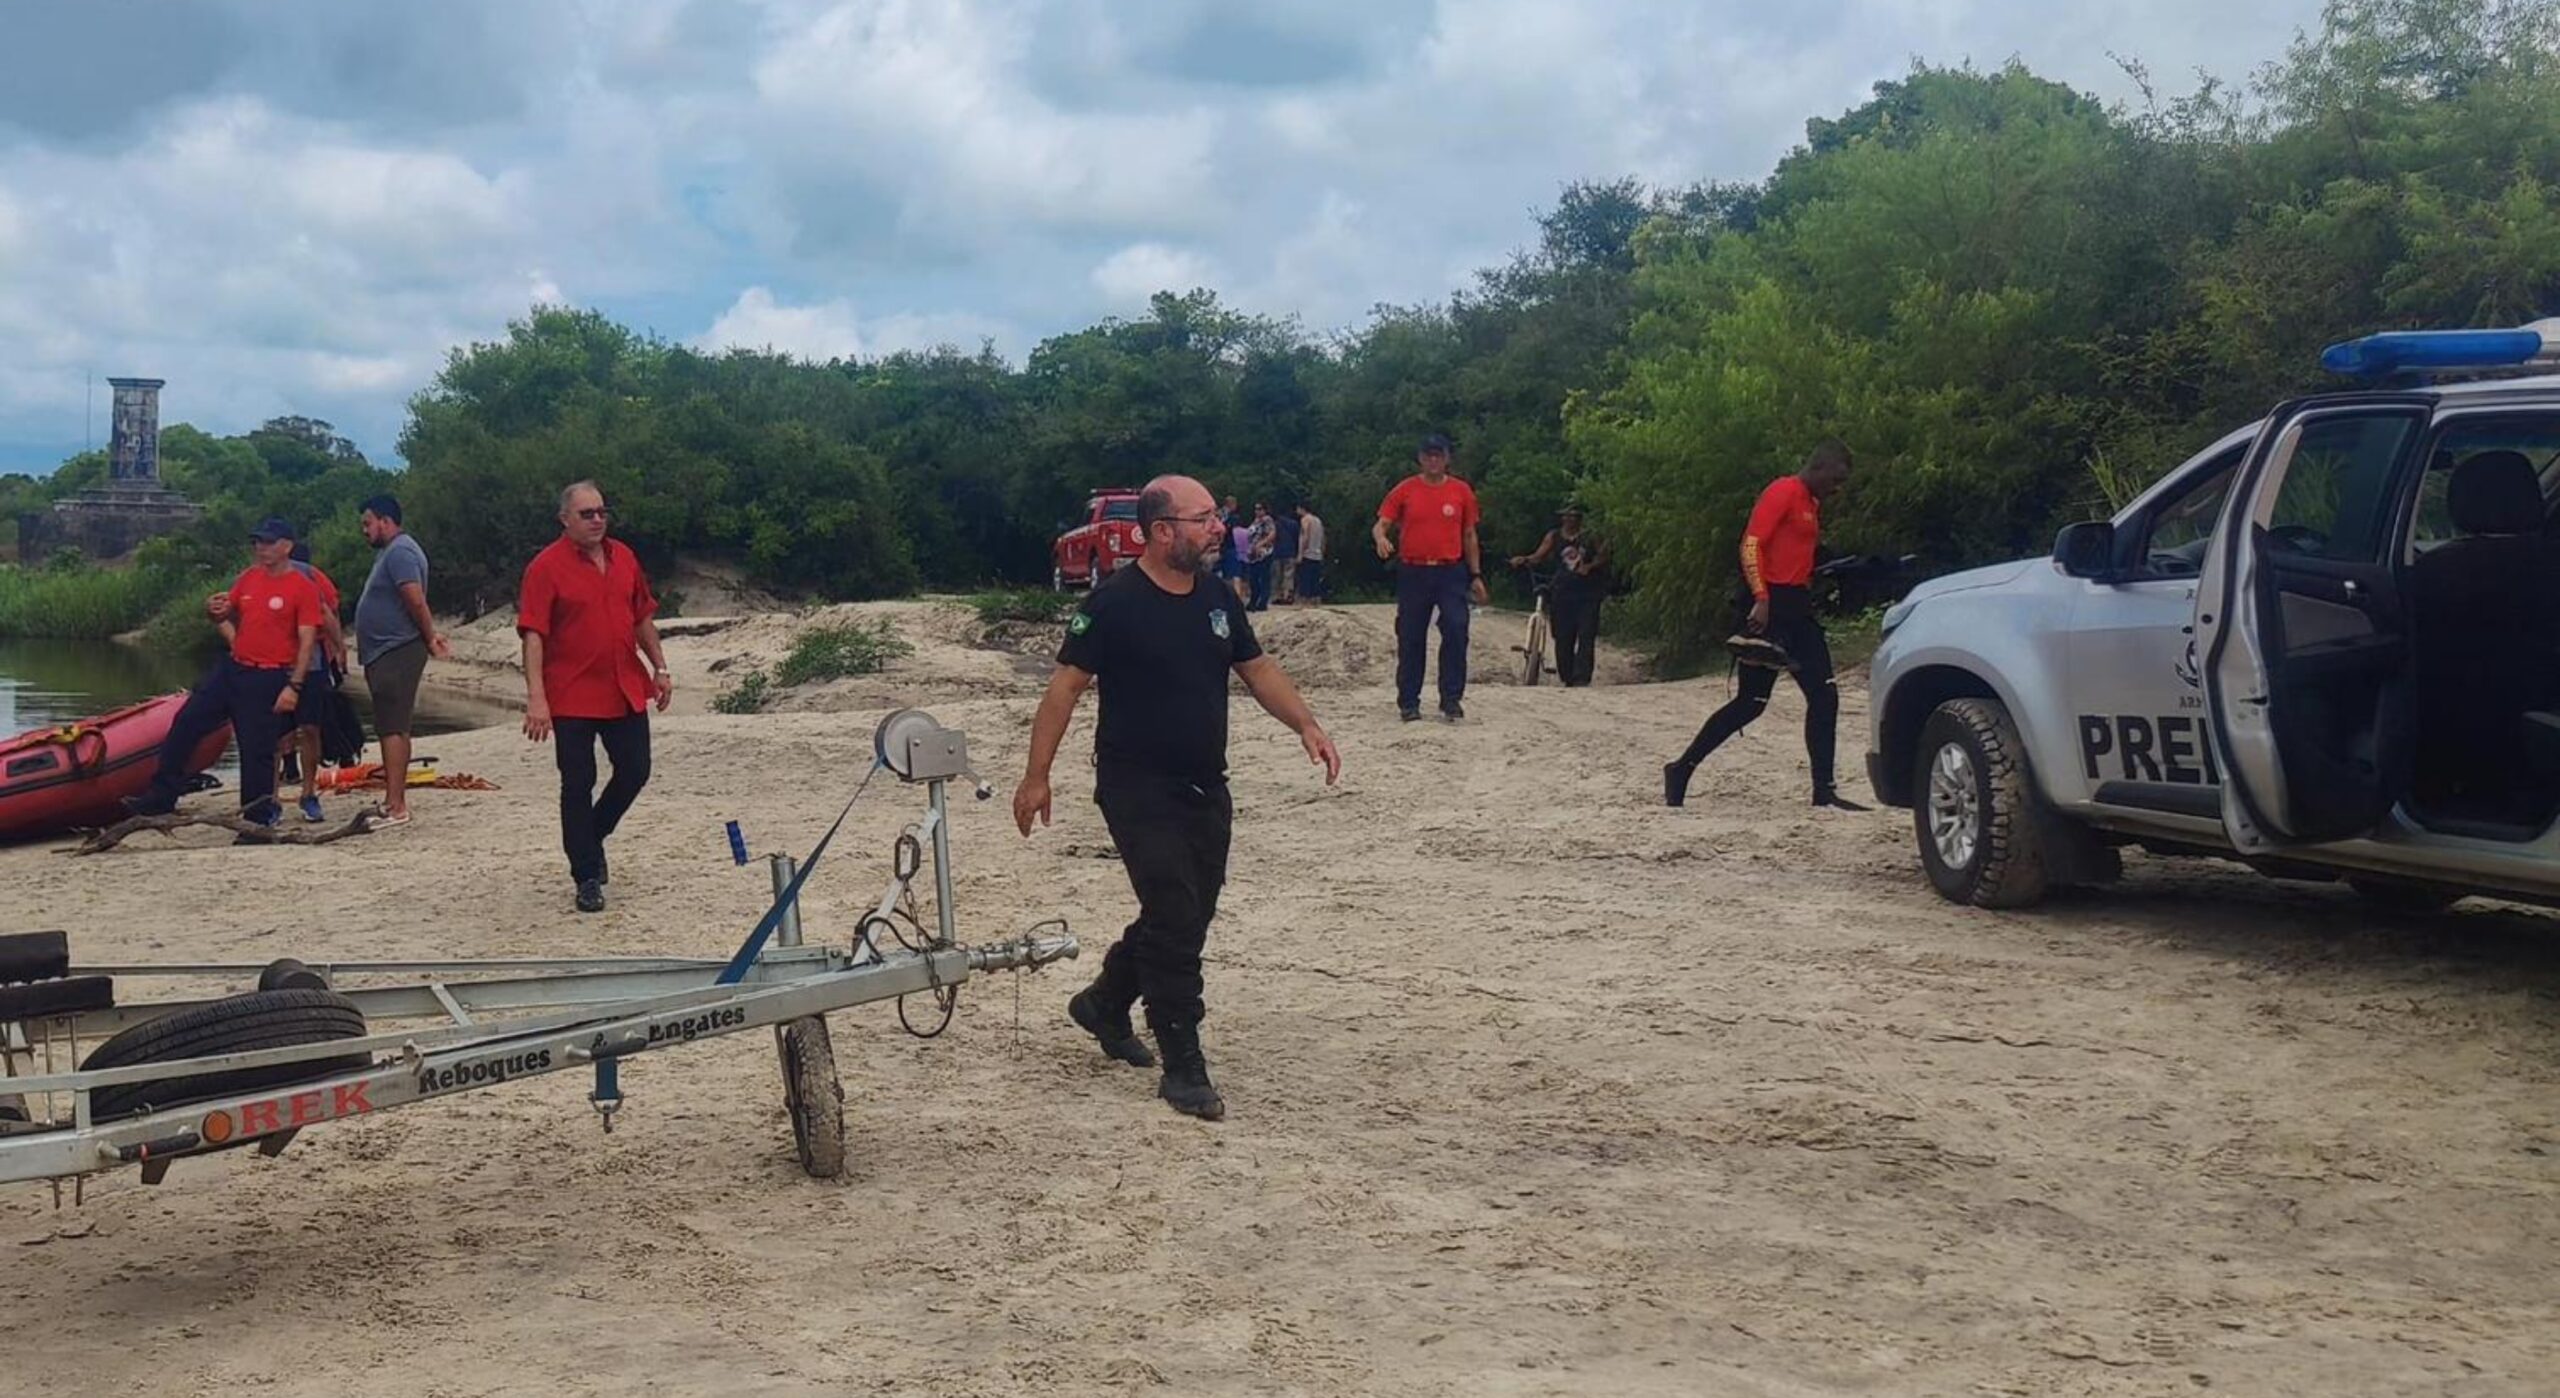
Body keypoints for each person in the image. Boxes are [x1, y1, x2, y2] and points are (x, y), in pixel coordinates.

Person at [1014, 473, 1341, 1122]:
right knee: (1174, 914)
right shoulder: (1112, 604)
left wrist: (1306, 723)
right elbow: (1064, 691)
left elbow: (1258, 668)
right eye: (1203, 519)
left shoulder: (1217, 596)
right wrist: (1037, 775)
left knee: (1185, 916)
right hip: (1136, 787)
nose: (1217, 526)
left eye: (1215, 517)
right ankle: (1183, 1063)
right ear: (1163, 531)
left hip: (1205, 786)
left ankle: (1105, 1002)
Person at [1664, 441, 1870, 811]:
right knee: (1751, 703)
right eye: (1836, 479)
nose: (1837, 488)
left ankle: (1824, 789)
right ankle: (1681, 768)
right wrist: (1760, 597)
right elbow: (1751, 545)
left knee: (1824, 696)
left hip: (1797, 607)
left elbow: (1796, 555)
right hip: (1769, 606)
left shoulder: (1811, 503)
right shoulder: (1783, 491)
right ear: (1820, 467)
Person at [517, 481, 673, 913]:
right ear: (565, 519)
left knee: (635, 771)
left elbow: (642, 618)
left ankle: (593, 835)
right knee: (577, 783)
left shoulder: (624, 557)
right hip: (570, 694)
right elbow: (533, 634)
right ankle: (586, 875)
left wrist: (660, 668)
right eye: (587, 513)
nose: (598, 519)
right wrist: (536, 698)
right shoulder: (545, 567)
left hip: (623, 683)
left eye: (603, 511)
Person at [124, 517, 322, 829]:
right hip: (234, 667)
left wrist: (294, 686)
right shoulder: (248, 578)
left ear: (286, 547)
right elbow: (224, 614)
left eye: (268, 542)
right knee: (188, 720)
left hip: (269, 676)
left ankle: (256, 820)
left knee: (256, 748)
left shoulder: (302, 587)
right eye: (257, 542)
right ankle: (161, 795)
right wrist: (214, 612)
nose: (261, 548)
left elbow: (308, 639)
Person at [355, 494, 453, 827]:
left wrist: (429, 636)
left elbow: (415, 598)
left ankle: (396, 805)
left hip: (398, 649)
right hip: (384, 651)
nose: (364, 530)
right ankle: (392, 800)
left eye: (368, 523)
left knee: (393, 726)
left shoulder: (401, 551)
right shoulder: (389, 553)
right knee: (388, 725)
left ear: (385, 520)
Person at [1373, 433, 1486, 721]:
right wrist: (1381, 538)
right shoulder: (1406, 490)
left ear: (1447, 459)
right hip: (1415, 570)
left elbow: (1470, 534)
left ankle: (1451, 698)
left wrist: (1475, 574)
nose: (1433, 460)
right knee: (1411, 635)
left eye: (1439, 455)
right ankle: (1409, 701)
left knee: (1456, 629)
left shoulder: (1461, 492)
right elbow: (1381, 523)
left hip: (1450, 570)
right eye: (1428, 455)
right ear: (1421, 458)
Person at [279, 538, 353, 823]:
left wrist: (339, 647)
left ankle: (304, 790)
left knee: (305, 728)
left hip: (311, 662)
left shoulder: (307, 577)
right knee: (293, 730)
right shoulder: (256, 578)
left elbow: (326, 612)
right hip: (279, 663)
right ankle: (281, 794)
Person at [1510, 506, 1611, 687]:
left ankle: (1582, 677)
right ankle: (1567, 675)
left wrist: (1589, 566)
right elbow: (1539, 556)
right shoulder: (1554, 536)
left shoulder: (1590, 536)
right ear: (1562, 518)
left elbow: (1603, 555)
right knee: (1563, 636)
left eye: (1574, 516)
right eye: (1567, 516)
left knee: (1586, 634)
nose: (1570, 519)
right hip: (1562, 591)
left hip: (1588, 592)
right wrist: (1524, 559)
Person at [1245, 503, 1278, 612]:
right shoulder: (1255, 522)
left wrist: (1261, 544)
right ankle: (1253, 600)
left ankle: (1262, 602)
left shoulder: (1267, 520)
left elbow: (1272, 533)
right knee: (1253, 578)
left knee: (1263, 578)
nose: (1257, 511)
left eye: (1260, 509)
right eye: (1256, 509)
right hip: (1253, 555)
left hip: (1264, 553)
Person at [1294, 503, 1327, 604]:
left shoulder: (1305, 519)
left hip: (1308, 553)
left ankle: (1305, 600)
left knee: (1305, 578)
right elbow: (1323, 538)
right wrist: (1322, 550)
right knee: (1315, 579)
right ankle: (1316, 599)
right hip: (1317, 553)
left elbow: (1305, 536)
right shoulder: (1318, 520)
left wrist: (1300, 553)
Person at [1271, 503, 1301, 605]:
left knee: (1277, 576)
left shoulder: (1275, 523)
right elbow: (1297, 538)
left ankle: (1277, 596)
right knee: (1288, 575)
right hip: (1290, 552)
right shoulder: (1294, 524)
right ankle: (1287, 595)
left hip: (1278, 552)